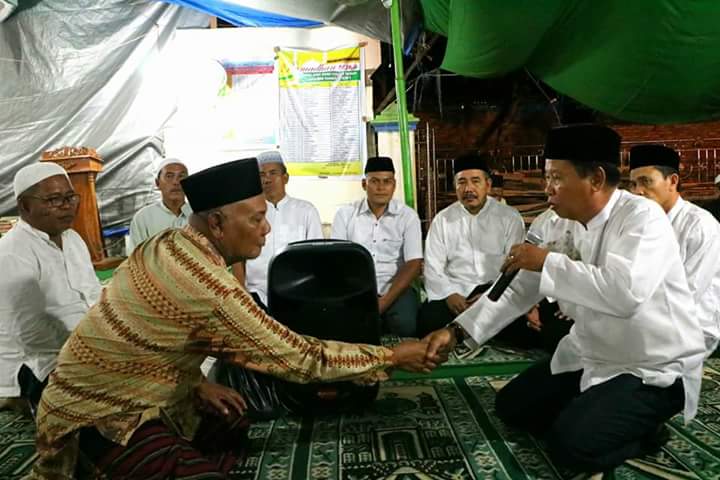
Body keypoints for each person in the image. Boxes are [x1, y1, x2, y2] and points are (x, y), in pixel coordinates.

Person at [27, 158, 438, 480]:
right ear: (218, 224)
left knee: (231, 418)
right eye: (256, 218)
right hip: (98, 416)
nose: (266, 228)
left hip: (131, 386)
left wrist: (197, 383)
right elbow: (300, 359)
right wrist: (391, 358)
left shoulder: (165, 243)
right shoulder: (207, 284)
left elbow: (159, 337)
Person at [423, 125, 706, 474]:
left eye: (556, 177)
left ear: (597, 179)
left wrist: (546, 261)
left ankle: (647, 430)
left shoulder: (642, 218)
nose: (547, 189)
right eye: (546, 178)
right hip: (591, 354)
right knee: (513, 407)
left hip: (651, 366)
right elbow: (516, 289)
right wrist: (456, 332)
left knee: (570, 447)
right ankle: (598, 409)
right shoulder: (557, 221)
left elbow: (625, 294)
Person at [0, 163, 101, 414]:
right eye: (54, 199)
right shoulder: (12, 252)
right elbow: (31, 335)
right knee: (100, 403)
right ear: (25, 206)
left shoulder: (73, 239)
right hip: (42, 358)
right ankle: (20, 398)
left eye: (69, 197)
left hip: (87, 343)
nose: (66, 206)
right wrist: (88, 351)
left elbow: (92, 294)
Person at [418, 153, 525, 339]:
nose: (469, 189)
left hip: (494, 291)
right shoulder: (442, 220)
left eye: (476, 181)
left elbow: (514, 266)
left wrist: (489, 294)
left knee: (518, 328)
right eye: (462, 182)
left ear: (488, 185)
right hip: (455, 292)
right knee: (429, 321)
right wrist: (450, 295)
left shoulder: (509, 217)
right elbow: (433, 267)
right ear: (455, 186)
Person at [629, 144, 720, 356]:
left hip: (693, 326)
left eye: (646, 181)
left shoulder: (700, 226)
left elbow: (688, 294)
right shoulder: (638, 224)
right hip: (645, 320)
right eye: (633, 184)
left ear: (672, 181)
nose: (637, 191)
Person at [331, 156, 423, 337]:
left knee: (405, 326)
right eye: (374, 181)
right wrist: (360, 295)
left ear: (394, 185)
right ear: (364, 184)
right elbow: (338, 259)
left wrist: (385, 301)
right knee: (347, 327)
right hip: (356, 289)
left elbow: (413, 264)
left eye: (387, 182)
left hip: (396, 288)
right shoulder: (345, 215)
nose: (381, 188)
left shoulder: (408, 217)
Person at [239, 150, 322, 310]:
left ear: (285, 178)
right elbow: (238, 258)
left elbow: (316, 257)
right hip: (255, 295)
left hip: (299, 295)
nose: (267, 179)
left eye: (273, 173)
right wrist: (243, 293)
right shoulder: (247, 213)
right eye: (262, 175)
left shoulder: (306, 211)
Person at [126, 158, 192, 254]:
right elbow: (136, 257)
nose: (176, 182)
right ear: (157, 183)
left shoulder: (198, 214)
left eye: (181, 176)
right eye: (169, 176)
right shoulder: (143, 218)